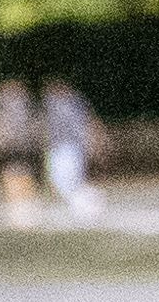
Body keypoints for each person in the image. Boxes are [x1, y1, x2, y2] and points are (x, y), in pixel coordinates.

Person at [41, 76, 110, 216]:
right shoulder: (55, 105)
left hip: (70, 148)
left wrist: (90, 144)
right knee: (62, 184)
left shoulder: (71, 105)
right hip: (58, 149)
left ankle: (92, 201)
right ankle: (86, 204)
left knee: (68, 183)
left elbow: (82, 127)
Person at [0, 75, 44, 217]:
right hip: (10, 155)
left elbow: (37, 133)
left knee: (23, 184)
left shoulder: (28, 114)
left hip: (23, 154)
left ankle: (24, 215)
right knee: (15, 185)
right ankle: (21, 215)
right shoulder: (0, 114)